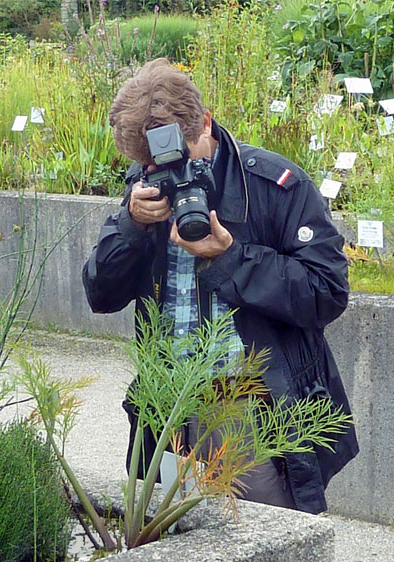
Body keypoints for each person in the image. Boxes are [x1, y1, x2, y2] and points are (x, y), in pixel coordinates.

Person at [81, 58, 358, 514]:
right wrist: (131, 226)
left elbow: (326, 292)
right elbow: (100, 294)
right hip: (167, 409)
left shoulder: (274, 185)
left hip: (251, 413)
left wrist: (231, 259)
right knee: (170, 556)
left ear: (205, 123)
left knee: (265, 557)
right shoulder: (145, 186)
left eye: (179, 159)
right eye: (152, 164)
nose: (169, 173)